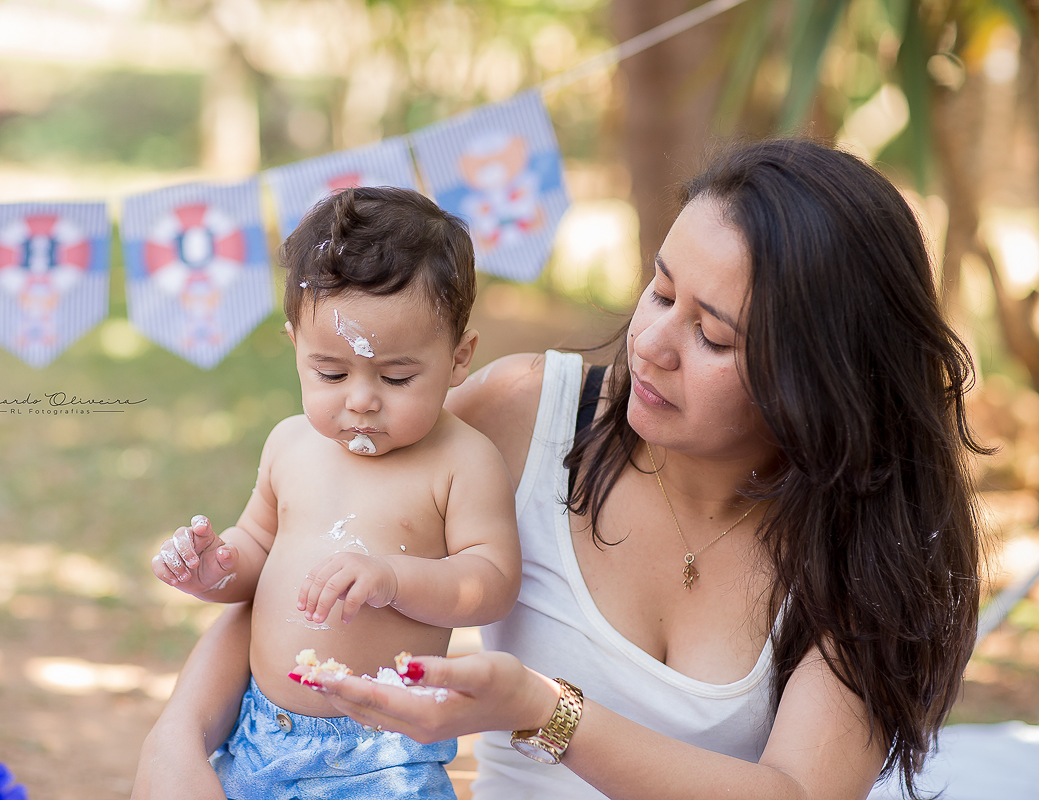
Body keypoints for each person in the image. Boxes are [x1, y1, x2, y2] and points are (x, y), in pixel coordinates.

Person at [133, 138, 984, 800]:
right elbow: (307, 560)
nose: (649, 344)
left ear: (818, 375)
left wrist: (544, 710)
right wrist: (178, 735)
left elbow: (796, 793)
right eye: (659, 291)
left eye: (713, 336)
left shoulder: (872, 554)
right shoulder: (528, 417)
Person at [144, 186, 522, 800]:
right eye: (332, 373)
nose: (361, 398)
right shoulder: (291, 445)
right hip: (261, 735)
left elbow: (492, 582)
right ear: (296, 346)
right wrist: (216, 569)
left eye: (397, 375)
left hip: (380, 755)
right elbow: (258, 548)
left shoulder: (462, 462)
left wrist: (394, 578)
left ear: (459, 358)